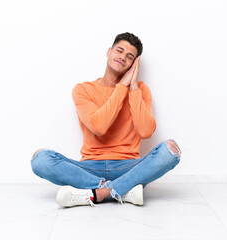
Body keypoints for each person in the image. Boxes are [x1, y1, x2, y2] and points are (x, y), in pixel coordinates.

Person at [31, 32, 182, 207]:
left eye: (130, 56)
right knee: (40, 159)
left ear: (134, 64)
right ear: (109, 52)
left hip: (129, 167)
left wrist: (132, 88)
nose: (123, 57)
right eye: (119, 51)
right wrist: (121, 87)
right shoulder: (83, 89)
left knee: (171, 150)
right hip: (89, 168)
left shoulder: (140, 90)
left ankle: (98, 193)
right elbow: (99, 127)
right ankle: (122, 191)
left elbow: (146, 131)